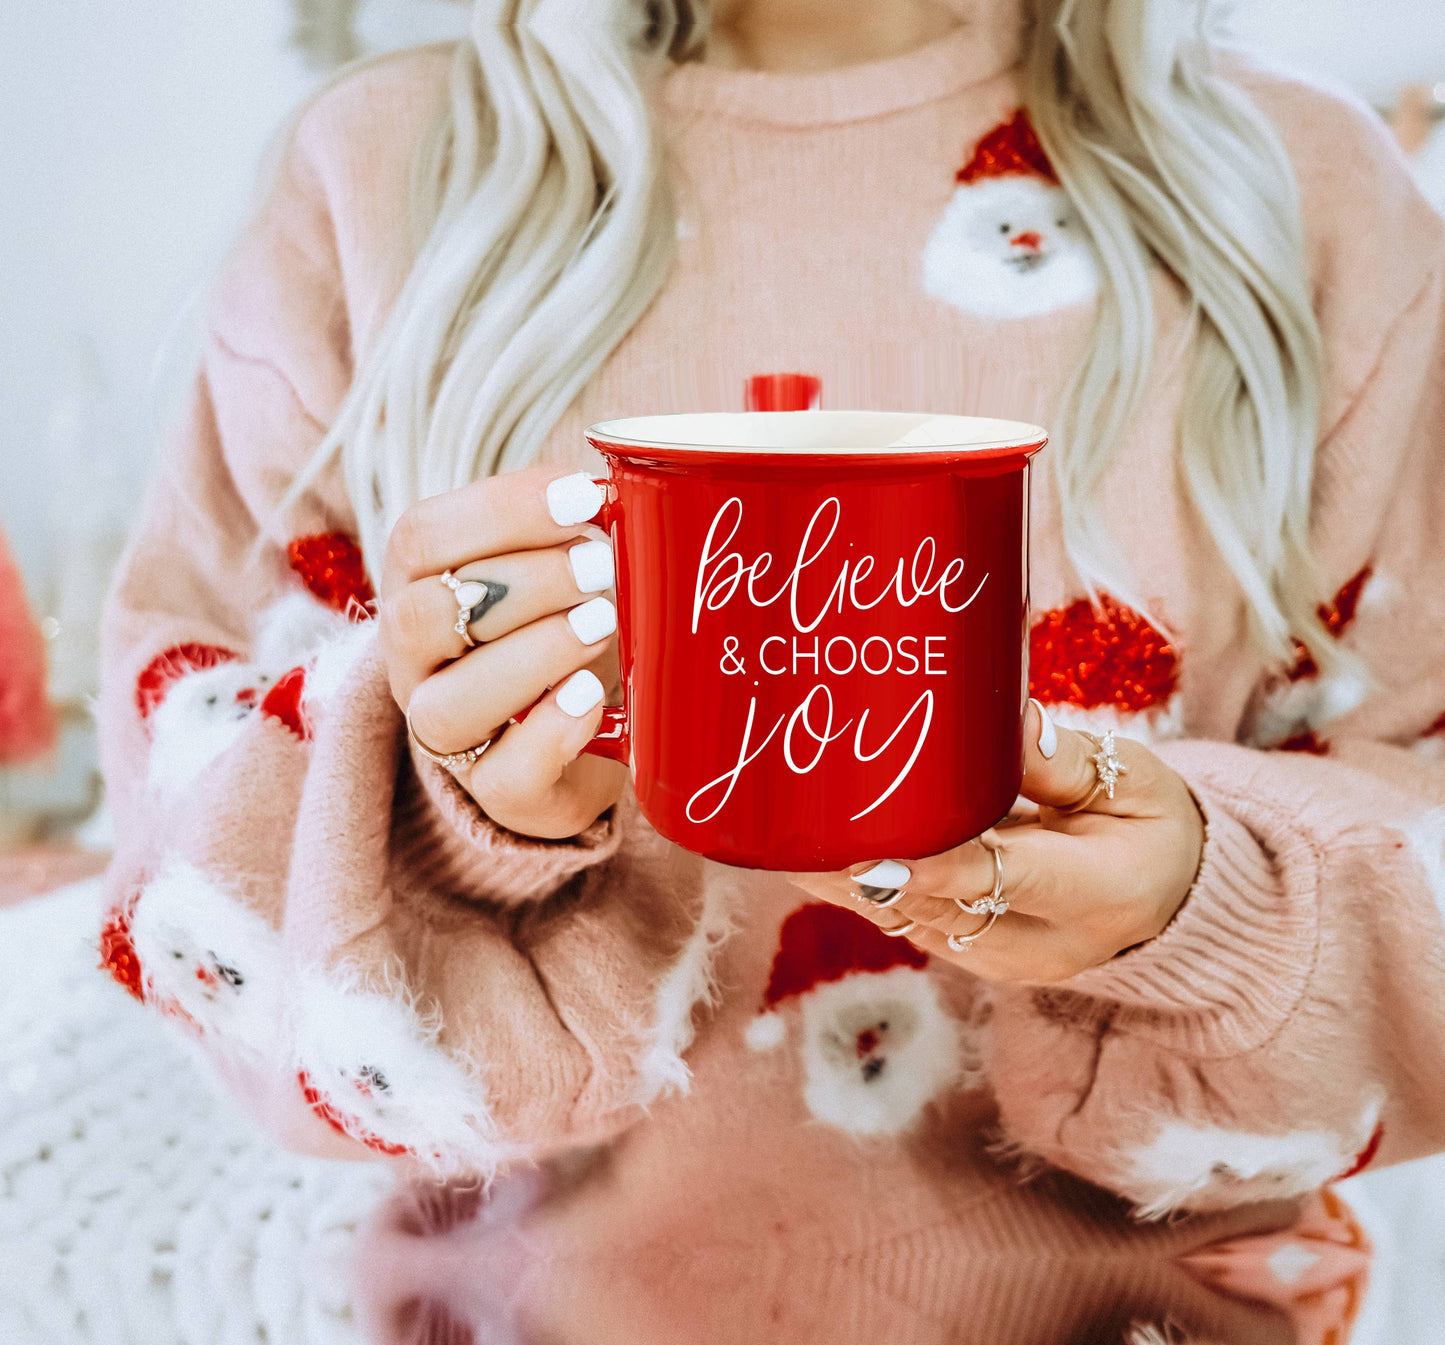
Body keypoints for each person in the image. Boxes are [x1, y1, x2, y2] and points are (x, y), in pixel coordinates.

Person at [99, 0, 1445, 1241]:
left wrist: (1211, 909)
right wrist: (445, 829)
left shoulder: (1297, 194)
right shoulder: (384, 181)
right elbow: (209, 941)